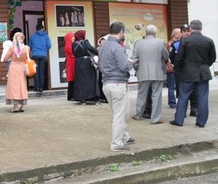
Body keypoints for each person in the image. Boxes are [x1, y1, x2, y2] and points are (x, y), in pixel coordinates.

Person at [170, 20, 216, 128]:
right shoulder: (209, 41)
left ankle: (179, 120)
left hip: (187, 72)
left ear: (190, 28)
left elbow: (179, 57)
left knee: (183, 96)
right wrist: (205, 66)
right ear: (201, 28)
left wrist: (178, 69)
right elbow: (212, 57)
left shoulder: (185, 41)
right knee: (203, 97)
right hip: (203, 73)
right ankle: (201, 122)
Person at [98, 21, 135, 151]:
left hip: (107, 84)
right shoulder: (118, 47)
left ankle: (124, 137)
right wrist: (131, 63)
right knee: (120, 115)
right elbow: (124, 66)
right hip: (118, 84)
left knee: (119, 113)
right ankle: (116, 144)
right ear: (121, 32)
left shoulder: (103, 46)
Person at [130, 24, 169, 124]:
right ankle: (155, 118)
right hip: (158, 72)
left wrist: (138, 68)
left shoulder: (138, 43)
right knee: (156, 95)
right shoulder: (161, 42)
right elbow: (165, 56)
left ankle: (138, 115)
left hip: (142, 72)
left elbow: (134, 59)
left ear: (145, 33)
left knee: (141, 94)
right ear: (155, 33)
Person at [4, 32, 30, 113]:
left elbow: (5, 58)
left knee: (14, 86)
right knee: (22, 85)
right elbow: (28, 58)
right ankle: (22, 105)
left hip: (14, 68)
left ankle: (15, 106)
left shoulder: (12, 48)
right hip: (22, 68)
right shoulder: (26, 48)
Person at [71, 30, 99, 104]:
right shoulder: (85, 42)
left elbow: (73, 53)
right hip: (87, 63)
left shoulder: (73, 44)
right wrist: (98, 53)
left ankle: (82, 98)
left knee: (80, 81)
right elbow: (91, 49)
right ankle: (92, 97)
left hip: (78, 63)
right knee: (90, 80)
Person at [29, 24, 52, 92]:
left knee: (36, 72)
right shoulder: (46, 36)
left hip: (35, 55)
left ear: (36, 29)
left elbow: (29, 47)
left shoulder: (32, 37)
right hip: (43, 55)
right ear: (42, 28)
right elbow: (49, 45)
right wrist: (44, 49)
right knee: (42, 72)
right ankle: (41, 88)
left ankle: (37, 87)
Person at [167, 28, 182, 109]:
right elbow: (168, 57)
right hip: (172, 67)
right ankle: (172, 102)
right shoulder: (171, 44)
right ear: (175, 34)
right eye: (180, 33)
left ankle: (172, 101)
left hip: (173, 67)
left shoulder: (175, 43)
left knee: (172, 85)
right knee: (172, 85)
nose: (181, 34)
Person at [64, 31, 75, 101]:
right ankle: (70, 96)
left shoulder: (71, 45)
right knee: (71, 81)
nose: (74, 39)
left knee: (72, 80)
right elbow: (73, 52)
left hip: (72, 63)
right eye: (72, 38)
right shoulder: (68, 46)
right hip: (70, 64)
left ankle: (72, 95)